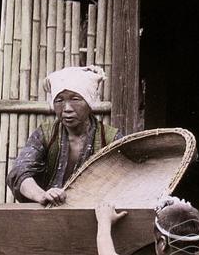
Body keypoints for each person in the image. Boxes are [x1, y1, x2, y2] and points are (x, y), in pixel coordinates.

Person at [8, 65, 120, 205]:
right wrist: (42, 195)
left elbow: (127, 181)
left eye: (75, 99)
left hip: (94, 215)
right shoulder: (46, 134)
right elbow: (19, 172)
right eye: (59, 100)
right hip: (49, 214)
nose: (67, 108)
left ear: (89, 102)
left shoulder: (110, 138)